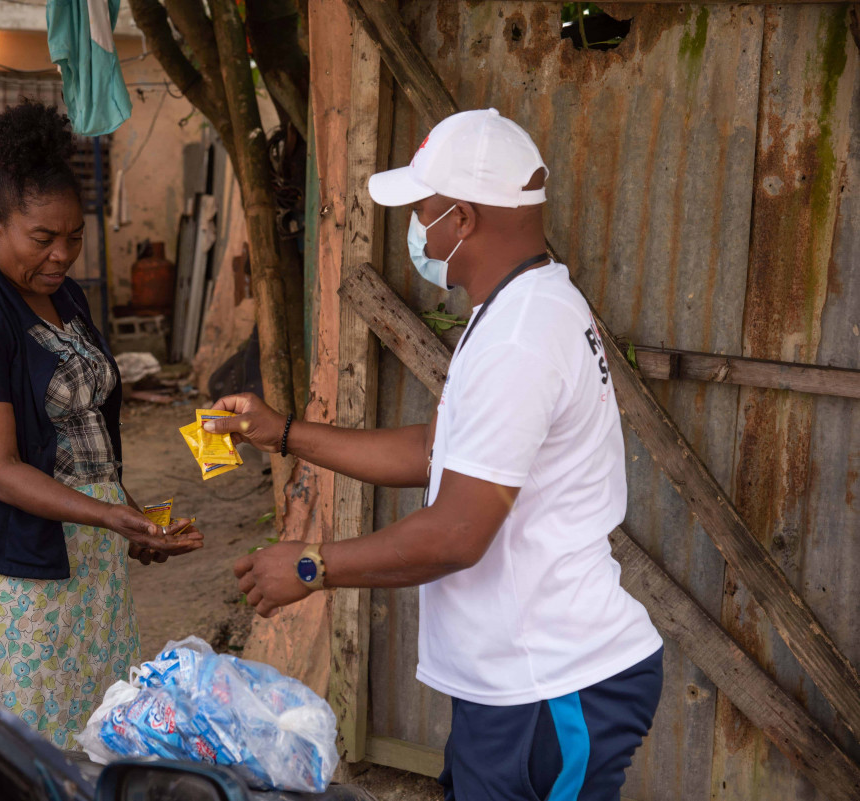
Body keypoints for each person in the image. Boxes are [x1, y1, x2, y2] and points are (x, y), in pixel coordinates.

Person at [204, 109, 664, 801]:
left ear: (464, 218)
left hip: (553, 681)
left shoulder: (522, 336)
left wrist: (310, 564)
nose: (417, 228)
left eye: (423, 210)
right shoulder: (511, 308)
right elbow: (436, 449)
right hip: (517, 682)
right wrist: (285, 432)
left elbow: (456, 532)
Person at [0, 101, 202, 749]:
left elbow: (82, 430)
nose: (62, 253)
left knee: (93, 730)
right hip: (7, 568)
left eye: (73, 235)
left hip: (84, 555)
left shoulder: (61, 294)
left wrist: (131, 515)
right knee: (18, 745)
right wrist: (107, 516)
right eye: (41, 237)